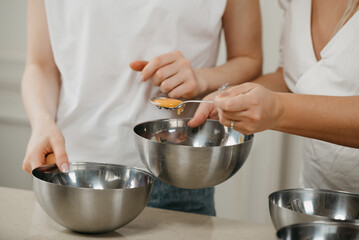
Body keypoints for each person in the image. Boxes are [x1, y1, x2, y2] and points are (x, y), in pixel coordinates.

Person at [21, 0, 262, 215]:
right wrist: (41, 123)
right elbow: (40, 65)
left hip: (178, 174)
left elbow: (249, 59)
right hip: (71, 171)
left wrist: (202, 78)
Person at [189, 0, 359, 194]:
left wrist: (279, 110)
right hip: (319, 194)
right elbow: (292, 78)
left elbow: (281, 104)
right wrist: (234, 95)